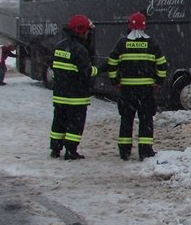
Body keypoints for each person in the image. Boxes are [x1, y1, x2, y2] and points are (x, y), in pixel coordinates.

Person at [107, 12, 168, 161]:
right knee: (146, 120)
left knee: (126, 120)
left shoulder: (121, 44)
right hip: (146, 91)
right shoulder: (152, 44)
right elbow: (162, 65)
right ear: (145, 26)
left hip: (127, 90)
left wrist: (115, 81)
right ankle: (145, 151)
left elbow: (112, 64)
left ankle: (124, 150)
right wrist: (158, 82)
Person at [49, 15, 99, 160]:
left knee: (58, 122)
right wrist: (102, 69)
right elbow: (87, 72)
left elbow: (54, 67)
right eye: (88, 31)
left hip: (60, 95)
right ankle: (71, 151)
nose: (89, 33)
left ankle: (55, 148)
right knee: (75, 125)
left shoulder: (59, 45)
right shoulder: (80, 50)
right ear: (82, 31)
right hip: (76, 97)